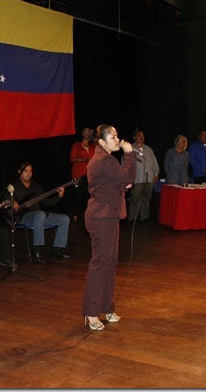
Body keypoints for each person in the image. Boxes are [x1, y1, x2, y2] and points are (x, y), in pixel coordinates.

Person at [82, 124, 136, 331]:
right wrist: (129, 154)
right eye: (113, 138)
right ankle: (91, 312)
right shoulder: (103, 159)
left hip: (109, 216)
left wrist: (122, 184)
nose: (118, 140)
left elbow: (111, 183)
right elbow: (128, 176)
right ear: (102, 142)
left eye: (117, 136)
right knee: (100, 265)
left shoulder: (105, 160)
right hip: (101, 218)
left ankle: (105, 307)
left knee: (110, 264)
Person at [8, 161, 70, 263]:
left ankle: (57, 250)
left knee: (64, 219)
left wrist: (60, 196)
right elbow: (3, 200)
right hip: (22, 217)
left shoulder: (36, 186)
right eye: (25, 171)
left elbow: (47, 203)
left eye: (30, 171)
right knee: (40, 214)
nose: (28, 173)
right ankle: (36, 250)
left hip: (38, 216)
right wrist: (11, 201)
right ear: (19, 172)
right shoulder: (13, 186)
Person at [127, 129, 159, 223]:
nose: (141, 137)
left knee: (146, 198)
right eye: (139, 135)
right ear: (134, 137)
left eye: (143, 136)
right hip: (137, 178)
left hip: (148, 178)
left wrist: (156, 174)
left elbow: (155, 164)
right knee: (134, 198)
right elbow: (125, 164)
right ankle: (132, 217)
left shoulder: (149, 149)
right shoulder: (130, 148)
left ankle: (144, 216)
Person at [69, 127, 95, 223]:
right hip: (79, 174)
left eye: (88, 131)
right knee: (78, 196)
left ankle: (89, 215)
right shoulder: (77, 145)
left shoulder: (93, 146)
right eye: (85, 131)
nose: (87, 133)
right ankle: (75, 215)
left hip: (90, 175)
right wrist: (85, 160)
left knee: (90, 196)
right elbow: (72, 159)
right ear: (82, 134)